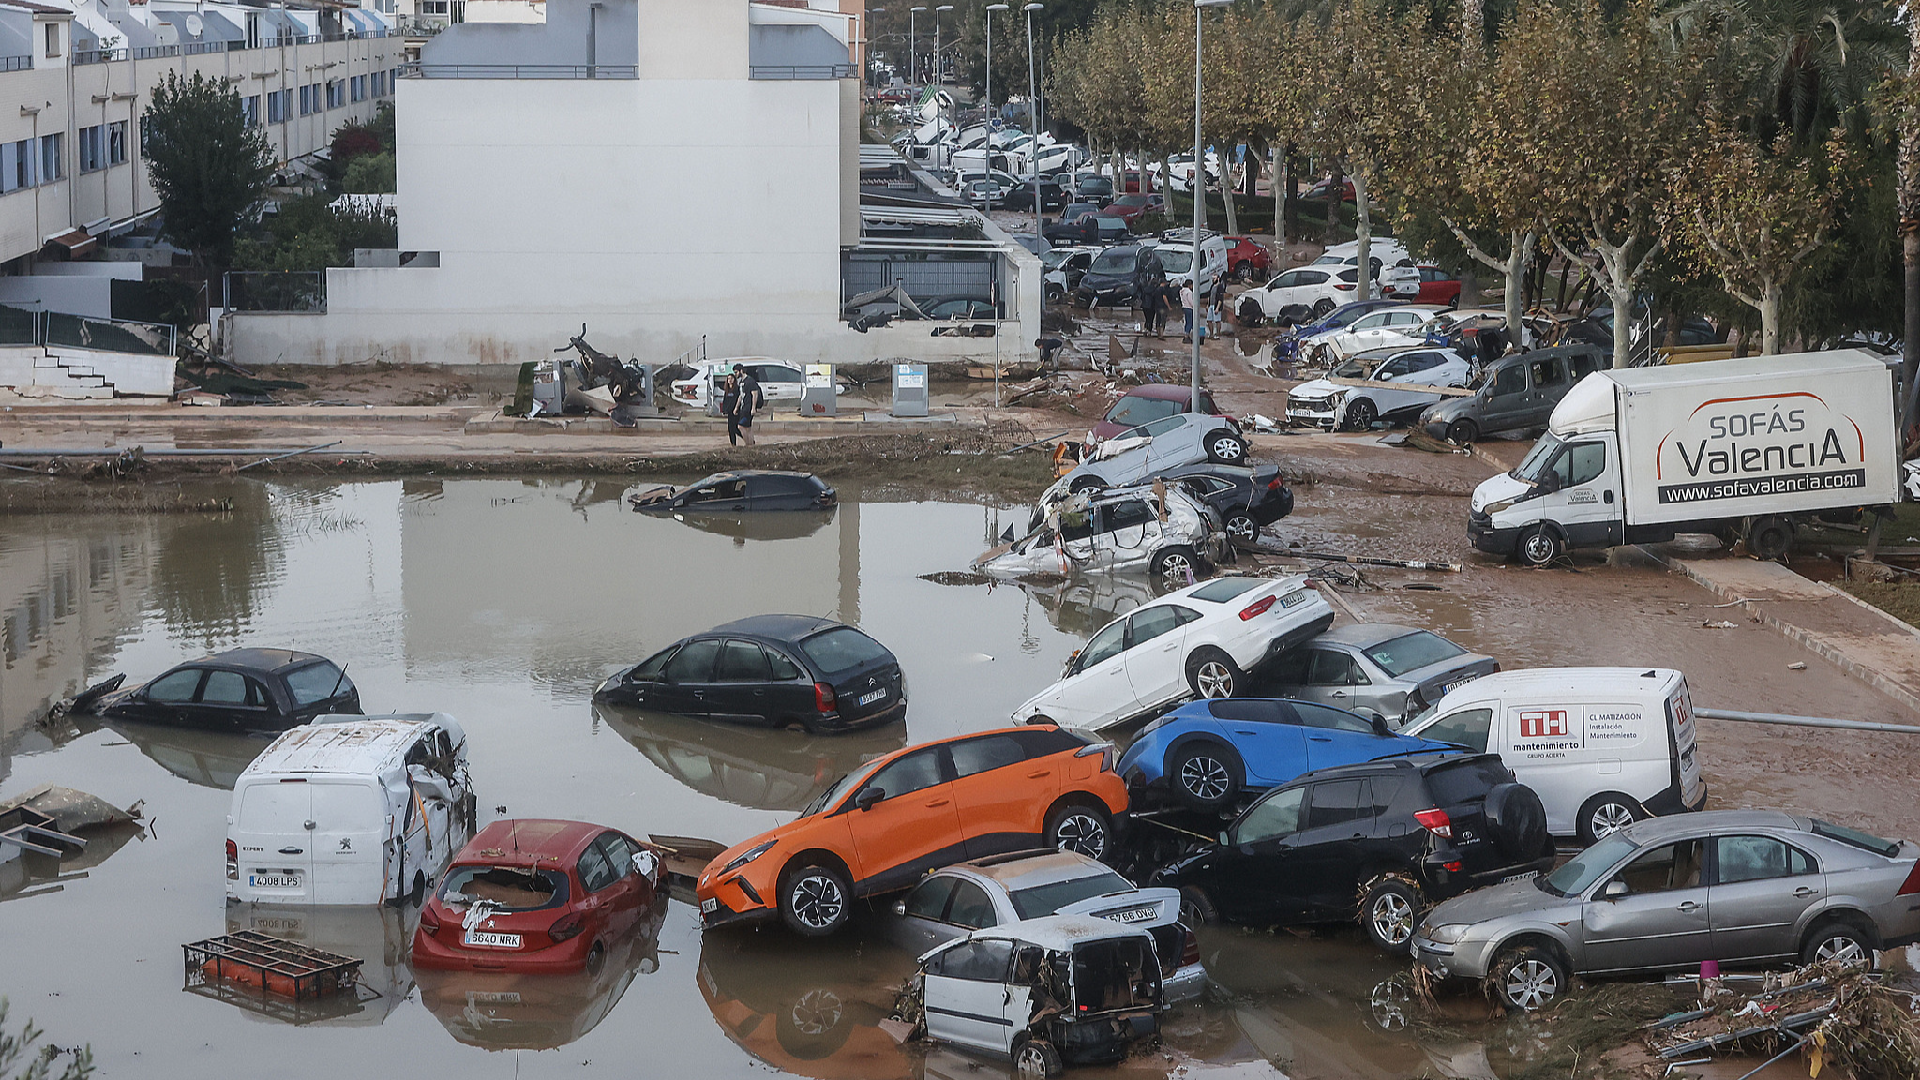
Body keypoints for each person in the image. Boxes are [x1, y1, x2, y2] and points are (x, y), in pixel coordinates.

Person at [731, 363, 762, 446]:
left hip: (748, 408)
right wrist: (736, 408)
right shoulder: (741, 382)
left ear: (741, 371)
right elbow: (741, 396)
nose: (735, 374)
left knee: (740, 426)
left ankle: (748, 444)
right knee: (748, 428)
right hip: (743, 407)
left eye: (736, 372)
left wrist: (753, 408)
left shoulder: (750, 381)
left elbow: (755, 394)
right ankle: (751, 444)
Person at [720, 374, 742, 446]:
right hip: (729, 412)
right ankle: (733, 444)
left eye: (731, 378)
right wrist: (724, 410)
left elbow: (738, 399)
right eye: (728, 378)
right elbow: (725, 400)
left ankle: (745, 438)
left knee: (735, 428)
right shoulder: (727, 390)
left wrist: (736, 409)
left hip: (736, 411)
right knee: (730, 429)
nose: (730, 380)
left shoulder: (737, 389)